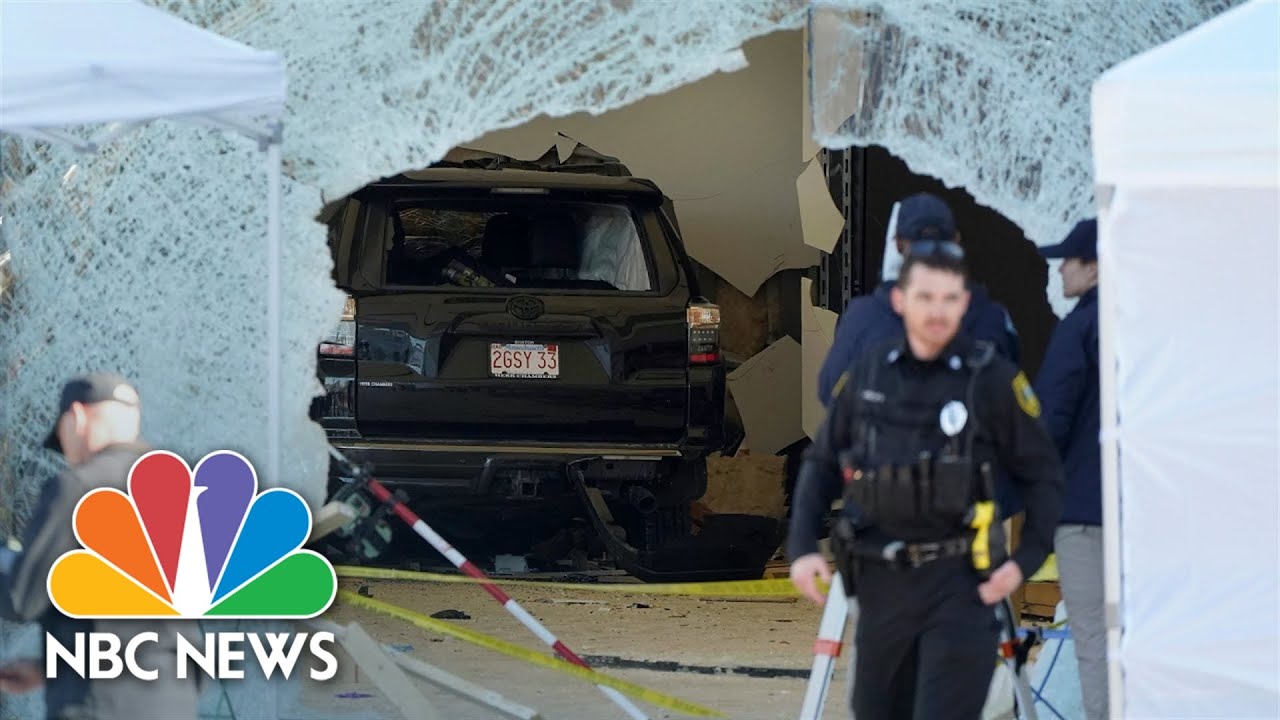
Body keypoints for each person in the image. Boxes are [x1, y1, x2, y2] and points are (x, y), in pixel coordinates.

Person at [788, 247, 1063, 720]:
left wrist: (1025, 561)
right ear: (900, 301)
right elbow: (822, 461)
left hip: (960, 585)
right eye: (925, 297)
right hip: (881, 584)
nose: (937, 311)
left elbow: (1044, 475)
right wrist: (801, 546)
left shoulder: (991, 379)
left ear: (964, 303)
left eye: (949, 298)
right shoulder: (870, 371)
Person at [0, 373, 201, 720]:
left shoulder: (78, 487)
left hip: (99, 706)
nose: (67, 455)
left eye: (61, 439)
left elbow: (22, 598)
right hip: (173, 701)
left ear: (77, 417)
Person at [816, 192, 1020, 406]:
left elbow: (829, 390)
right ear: (956, 240)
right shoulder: (993, 316)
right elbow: (1011, 392)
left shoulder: (862, 316)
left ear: (898, 245)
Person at [1033, 219, 1106, 719]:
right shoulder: (1144, 324)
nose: (1059, 270)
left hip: (1082, 512)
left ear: (1095, 268)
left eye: (1069, 261)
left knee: (1094, 635)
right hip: (1143, 511)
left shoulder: (1078, 328)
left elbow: (1049, 421)